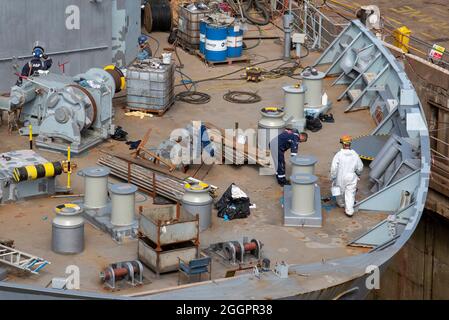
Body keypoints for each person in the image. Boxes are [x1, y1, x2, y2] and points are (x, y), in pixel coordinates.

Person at [330, 135, 364, 217]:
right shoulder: (354, 154)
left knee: (339, 191)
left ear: (342, 143)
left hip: (340, 176)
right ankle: (349, 211)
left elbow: (334, 167)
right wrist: (358, 173)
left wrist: (333, 176)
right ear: (350, 144)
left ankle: (341, 204)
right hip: (351, 176)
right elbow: (360, 167)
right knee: (350, 193)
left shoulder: (339, 154)